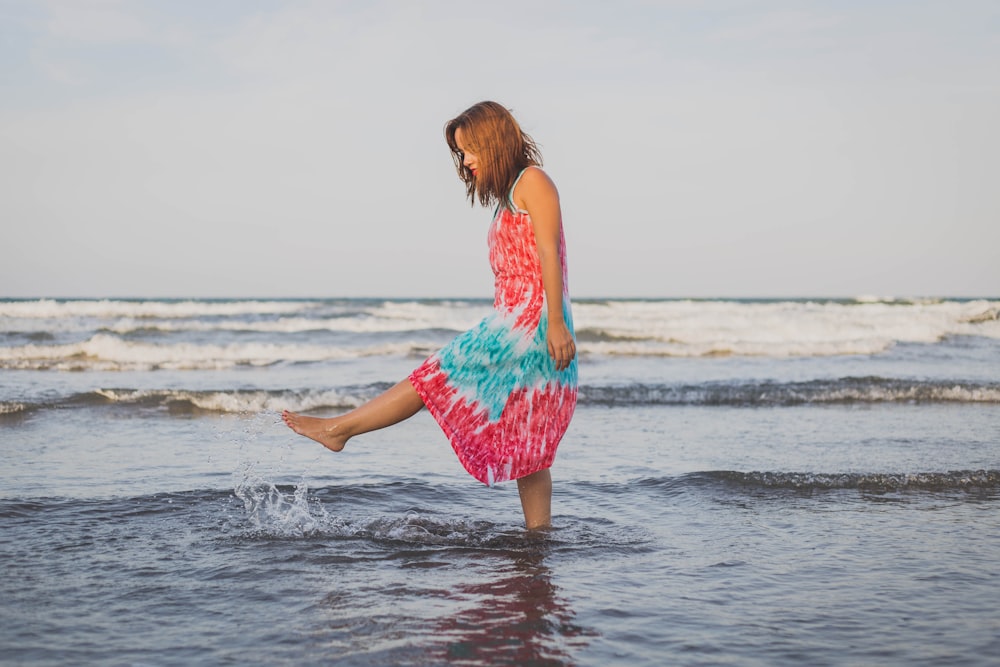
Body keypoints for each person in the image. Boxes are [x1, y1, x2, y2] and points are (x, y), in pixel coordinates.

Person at [282, 101, 578, 530]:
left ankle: (339, 430)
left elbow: (550, 252)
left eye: (471, 149)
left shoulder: (534, 182)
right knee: (526, 439)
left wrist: (554, 324)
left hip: (527, 323)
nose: (466, 160)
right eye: (461, 153)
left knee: (434, 376)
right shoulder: (508, 197)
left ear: (494, 141)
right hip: (515, 319)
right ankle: (539, 537)